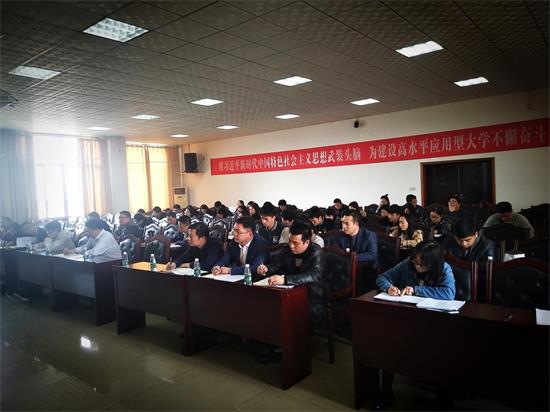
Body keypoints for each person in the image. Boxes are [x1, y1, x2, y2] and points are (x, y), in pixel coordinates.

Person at [373, 241, 456, 409]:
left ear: (433, 264)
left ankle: (443, 398)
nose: (417, 267)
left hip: (434, 322)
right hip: (408, 319)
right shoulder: (407, 264)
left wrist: (416, 289)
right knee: (386, 343)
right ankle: (386, 391)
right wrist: (389, 288)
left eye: (422, 265)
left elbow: (449, 293)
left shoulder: (444, 269)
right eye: (415, 262)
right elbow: (382, 277)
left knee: (443, 349)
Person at [257, 221, 326, 321]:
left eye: (296, 243)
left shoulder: (316, 251)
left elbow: (313, 275)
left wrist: (285, 280)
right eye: (290, 241)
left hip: (311, 296)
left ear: (306, 242)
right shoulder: (287, 249)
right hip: (288, 293)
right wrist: (266, 269)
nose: (291, 246)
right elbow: (277, 265)